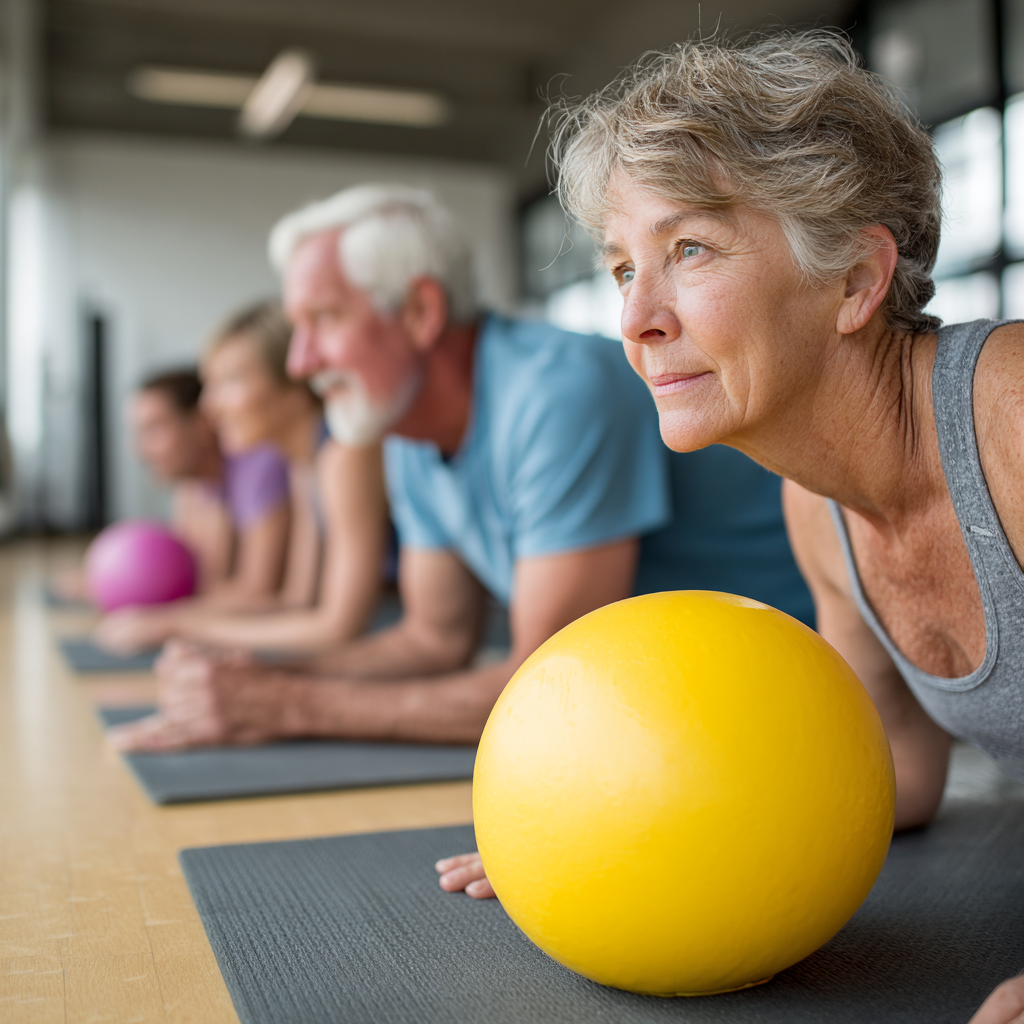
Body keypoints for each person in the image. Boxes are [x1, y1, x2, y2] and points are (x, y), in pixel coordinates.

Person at [435, 31, 1024, 1024]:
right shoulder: (818, 510)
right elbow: (888, 774)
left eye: (688, 250)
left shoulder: (1008, 412)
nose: (636, 319)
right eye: (624, 268)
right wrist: (595, 839)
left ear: (852, 280)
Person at [107, 183, 812, 754]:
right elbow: (433, 637)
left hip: (788, 694)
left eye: (324, 320)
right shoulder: (409, 430)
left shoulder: (556, 392)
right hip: (672, 700)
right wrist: (255, 677)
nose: (301, 364)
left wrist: (287, 704)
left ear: (420, 311)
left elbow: (552, 689)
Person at [96, 301, 389, 655]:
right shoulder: (302, 464)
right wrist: (179, 623)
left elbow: (339, 626)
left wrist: (177, 624)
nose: (209, 406)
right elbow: (298, 599)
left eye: (230, 381)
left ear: (297, 383)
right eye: (210, 385)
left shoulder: (345, 457)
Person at [54, 368, 291, 605]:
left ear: (203, 423)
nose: (139, 450)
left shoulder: (258, 465)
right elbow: (199, 579)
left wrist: (163, 615)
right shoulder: (194, 487)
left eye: (154, 429)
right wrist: (118, 585)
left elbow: (258, 590)